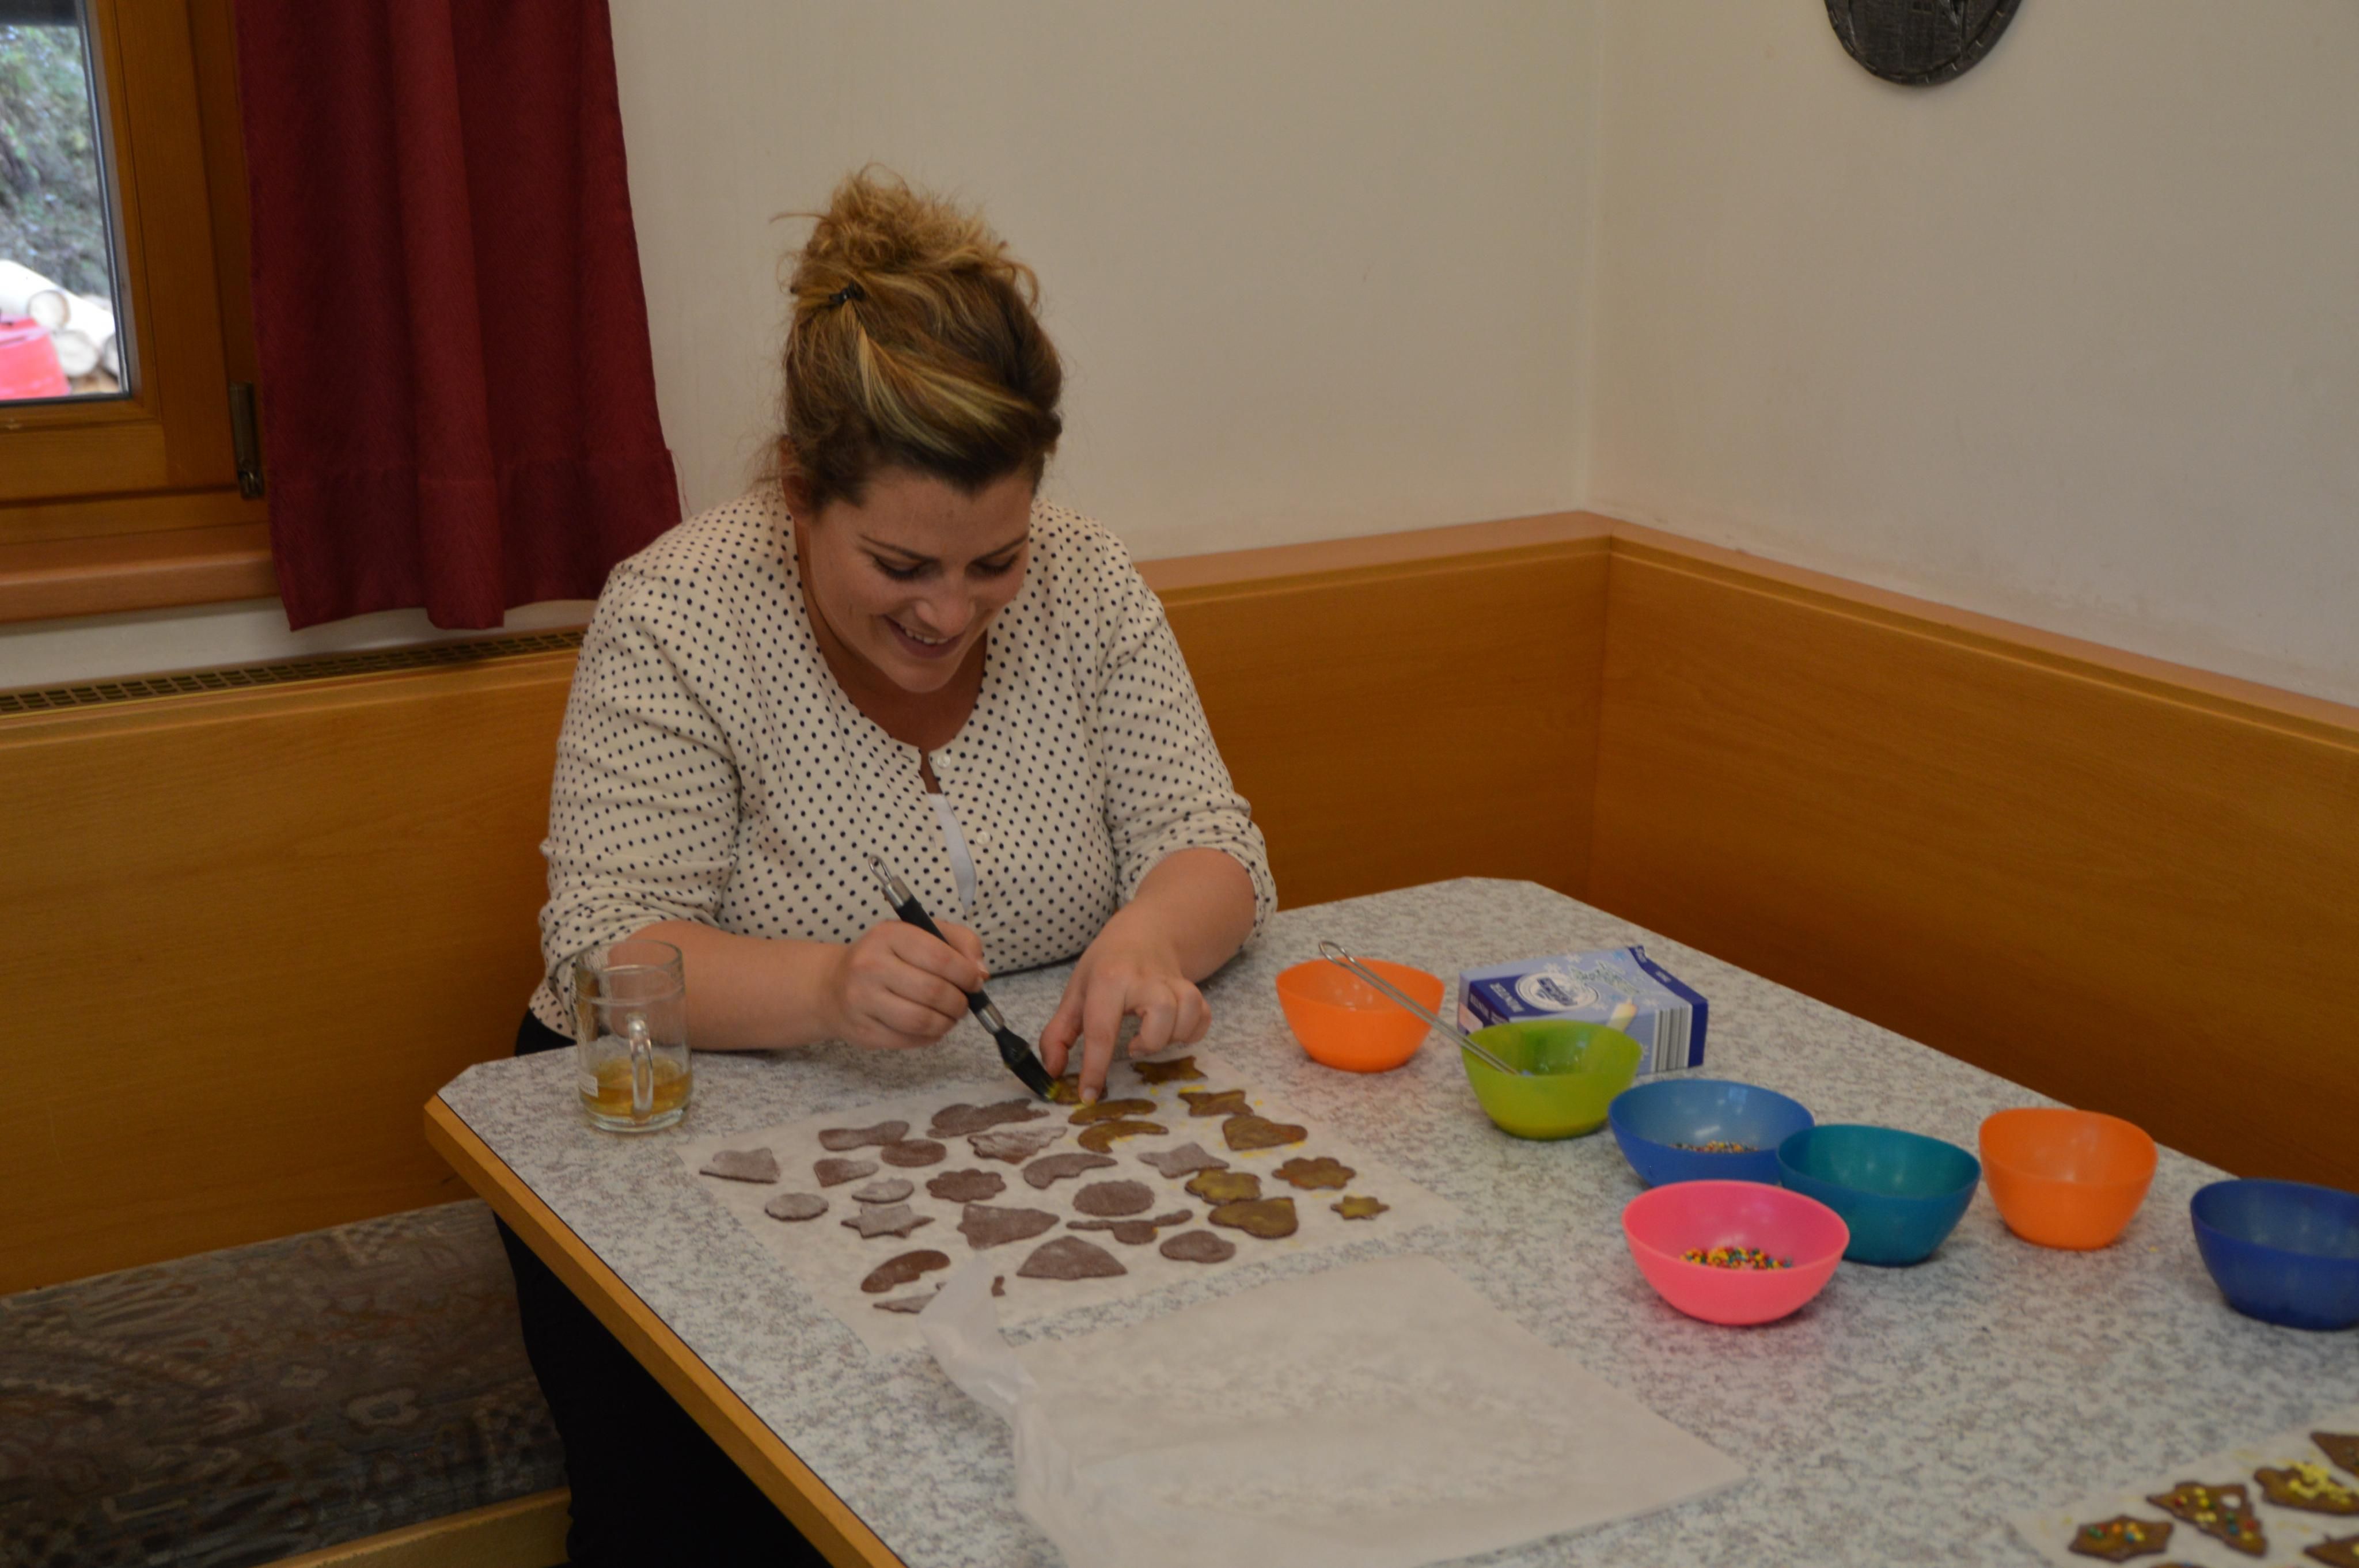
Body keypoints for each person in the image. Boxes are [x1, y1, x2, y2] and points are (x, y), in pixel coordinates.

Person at [498, 168, 1273, 1567]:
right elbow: (608, 947)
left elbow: (1211, 842)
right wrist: (822, 990)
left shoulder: (1087, 582)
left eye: (993, 563)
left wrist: (1150, 935)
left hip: (1003, 1144)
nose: (950, 613)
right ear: (802, 495)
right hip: (682, 1148)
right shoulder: (680, 613)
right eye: (903, 564)